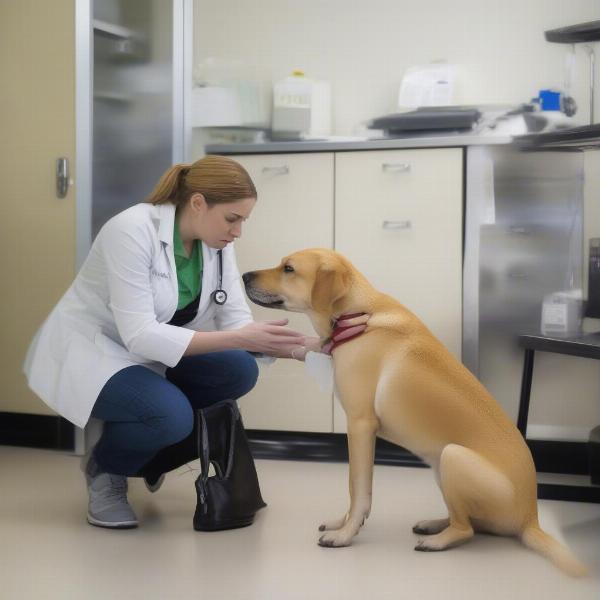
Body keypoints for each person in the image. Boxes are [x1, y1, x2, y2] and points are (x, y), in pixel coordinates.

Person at [23, 155, 322, 529]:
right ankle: (106, 469)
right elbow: (139, 334)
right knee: (171, 416)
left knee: (240, 370)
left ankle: (150, 451)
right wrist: (242, 337)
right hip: (97, 351)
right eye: (233, 218)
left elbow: (234, 319)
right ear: (198, 203)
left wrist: (298, 347)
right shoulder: (130, 230)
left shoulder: (215, 242)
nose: (238, 231)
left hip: (153, 352)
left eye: (244, 220)